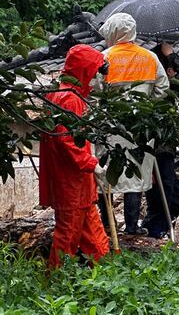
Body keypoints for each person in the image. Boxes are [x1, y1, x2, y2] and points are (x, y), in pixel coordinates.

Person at [97, 13, 168, 235]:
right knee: (135, 175)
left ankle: (107, 225)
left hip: (110, 126)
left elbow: (93, 92)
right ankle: (131, 227)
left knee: (106, 173)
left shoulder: (104, 59)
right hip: (141, 127)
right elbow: (163, 88)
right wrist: (147, 104)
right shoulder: (149, 57)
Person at [41, 45, 109, 268]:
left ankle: (107, 275)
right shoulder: (69, 98)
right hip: (71, 182)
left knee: (93, 236)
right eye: (93, 71)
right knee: (68, 235)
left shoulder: (63, 93)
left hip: (77, 183)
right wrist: (93, 164)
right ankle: (56, 282)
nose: (94, 78)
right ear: (84, 70)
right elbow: (67, 140)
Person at [142, 42, 179, 238]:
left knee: (164, 181)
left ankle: (170, 215)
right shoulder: (161, 87)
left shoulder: (161, 84)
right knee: (161, 182)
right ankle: (160, 223)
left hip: (159, 138)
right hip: (159, 138)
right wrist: (170, 53)